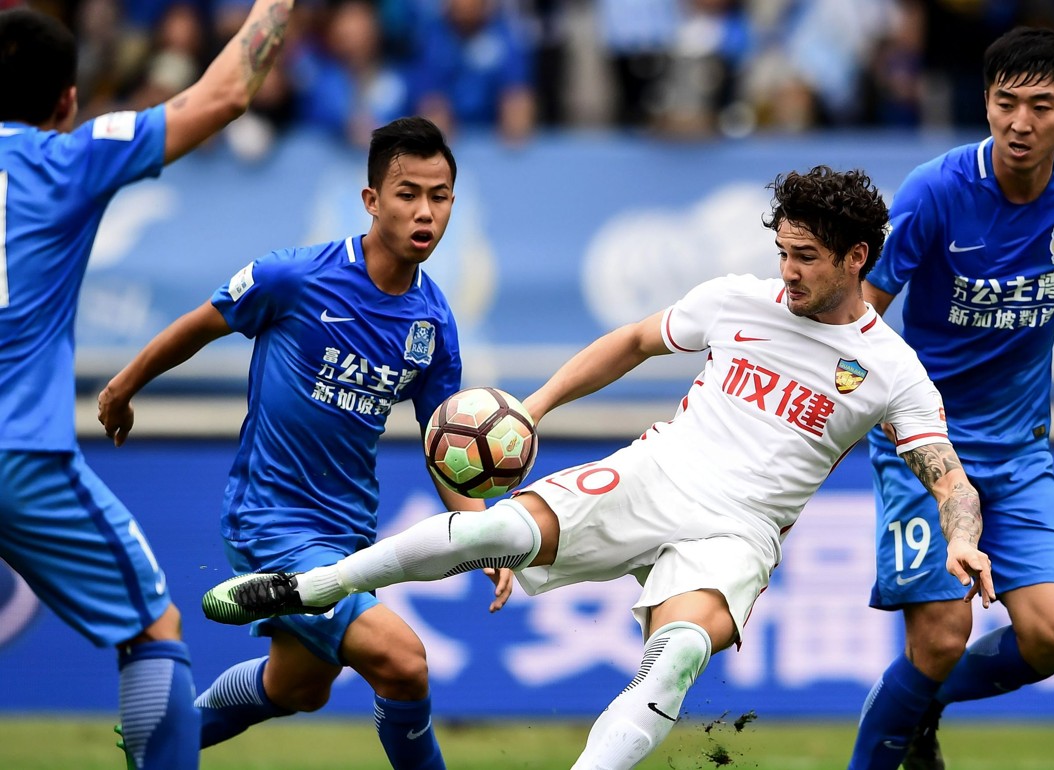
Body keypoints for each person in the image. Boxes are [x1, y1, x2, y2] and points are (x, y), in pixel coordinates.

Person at [198, 165, 997, 770]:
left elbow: (946, 472)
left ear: (857, 258)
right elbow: (633, 342)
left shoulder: (889, 368)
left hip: (738, 532)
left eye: (807, 258)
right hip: (656, 473)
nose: (787, 272)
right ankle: (312, 587)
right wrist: (536, 408)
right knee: (501, 529)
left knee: (678, 655)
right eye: (782, 252)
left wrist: (962, 536)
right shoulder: (736, 300)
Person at [97, 117, 496, 770]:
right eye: (408, 193)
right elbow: (205, 321)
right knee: (403, 664)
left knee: (298, 689)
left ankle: (165, 736)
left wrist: (484, 530)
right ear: (371, 201)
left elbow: (441, 438)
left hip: (348, 533)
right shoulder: (296, 278)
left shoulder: (433, 322)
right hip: (270, 517)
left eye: (440, 195)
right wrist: (124, 385)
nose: (425, 212)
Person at [847, 27, 1054, 770]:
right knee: (938, 637)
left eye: (1040, 106)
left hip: (1017, 447)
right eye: (1006, 104)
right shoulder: (935, 191)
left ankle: (921, 703)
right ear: (987, 104)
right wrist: (843, 407)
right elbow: (863, 307)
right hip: (923, 443)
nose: (1020, 123)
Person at [0, 4, 295, 769]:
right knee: (152, 628)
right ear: (67, 102)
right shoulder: (66, 158)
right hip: (15, 456)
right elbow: (223, 95)